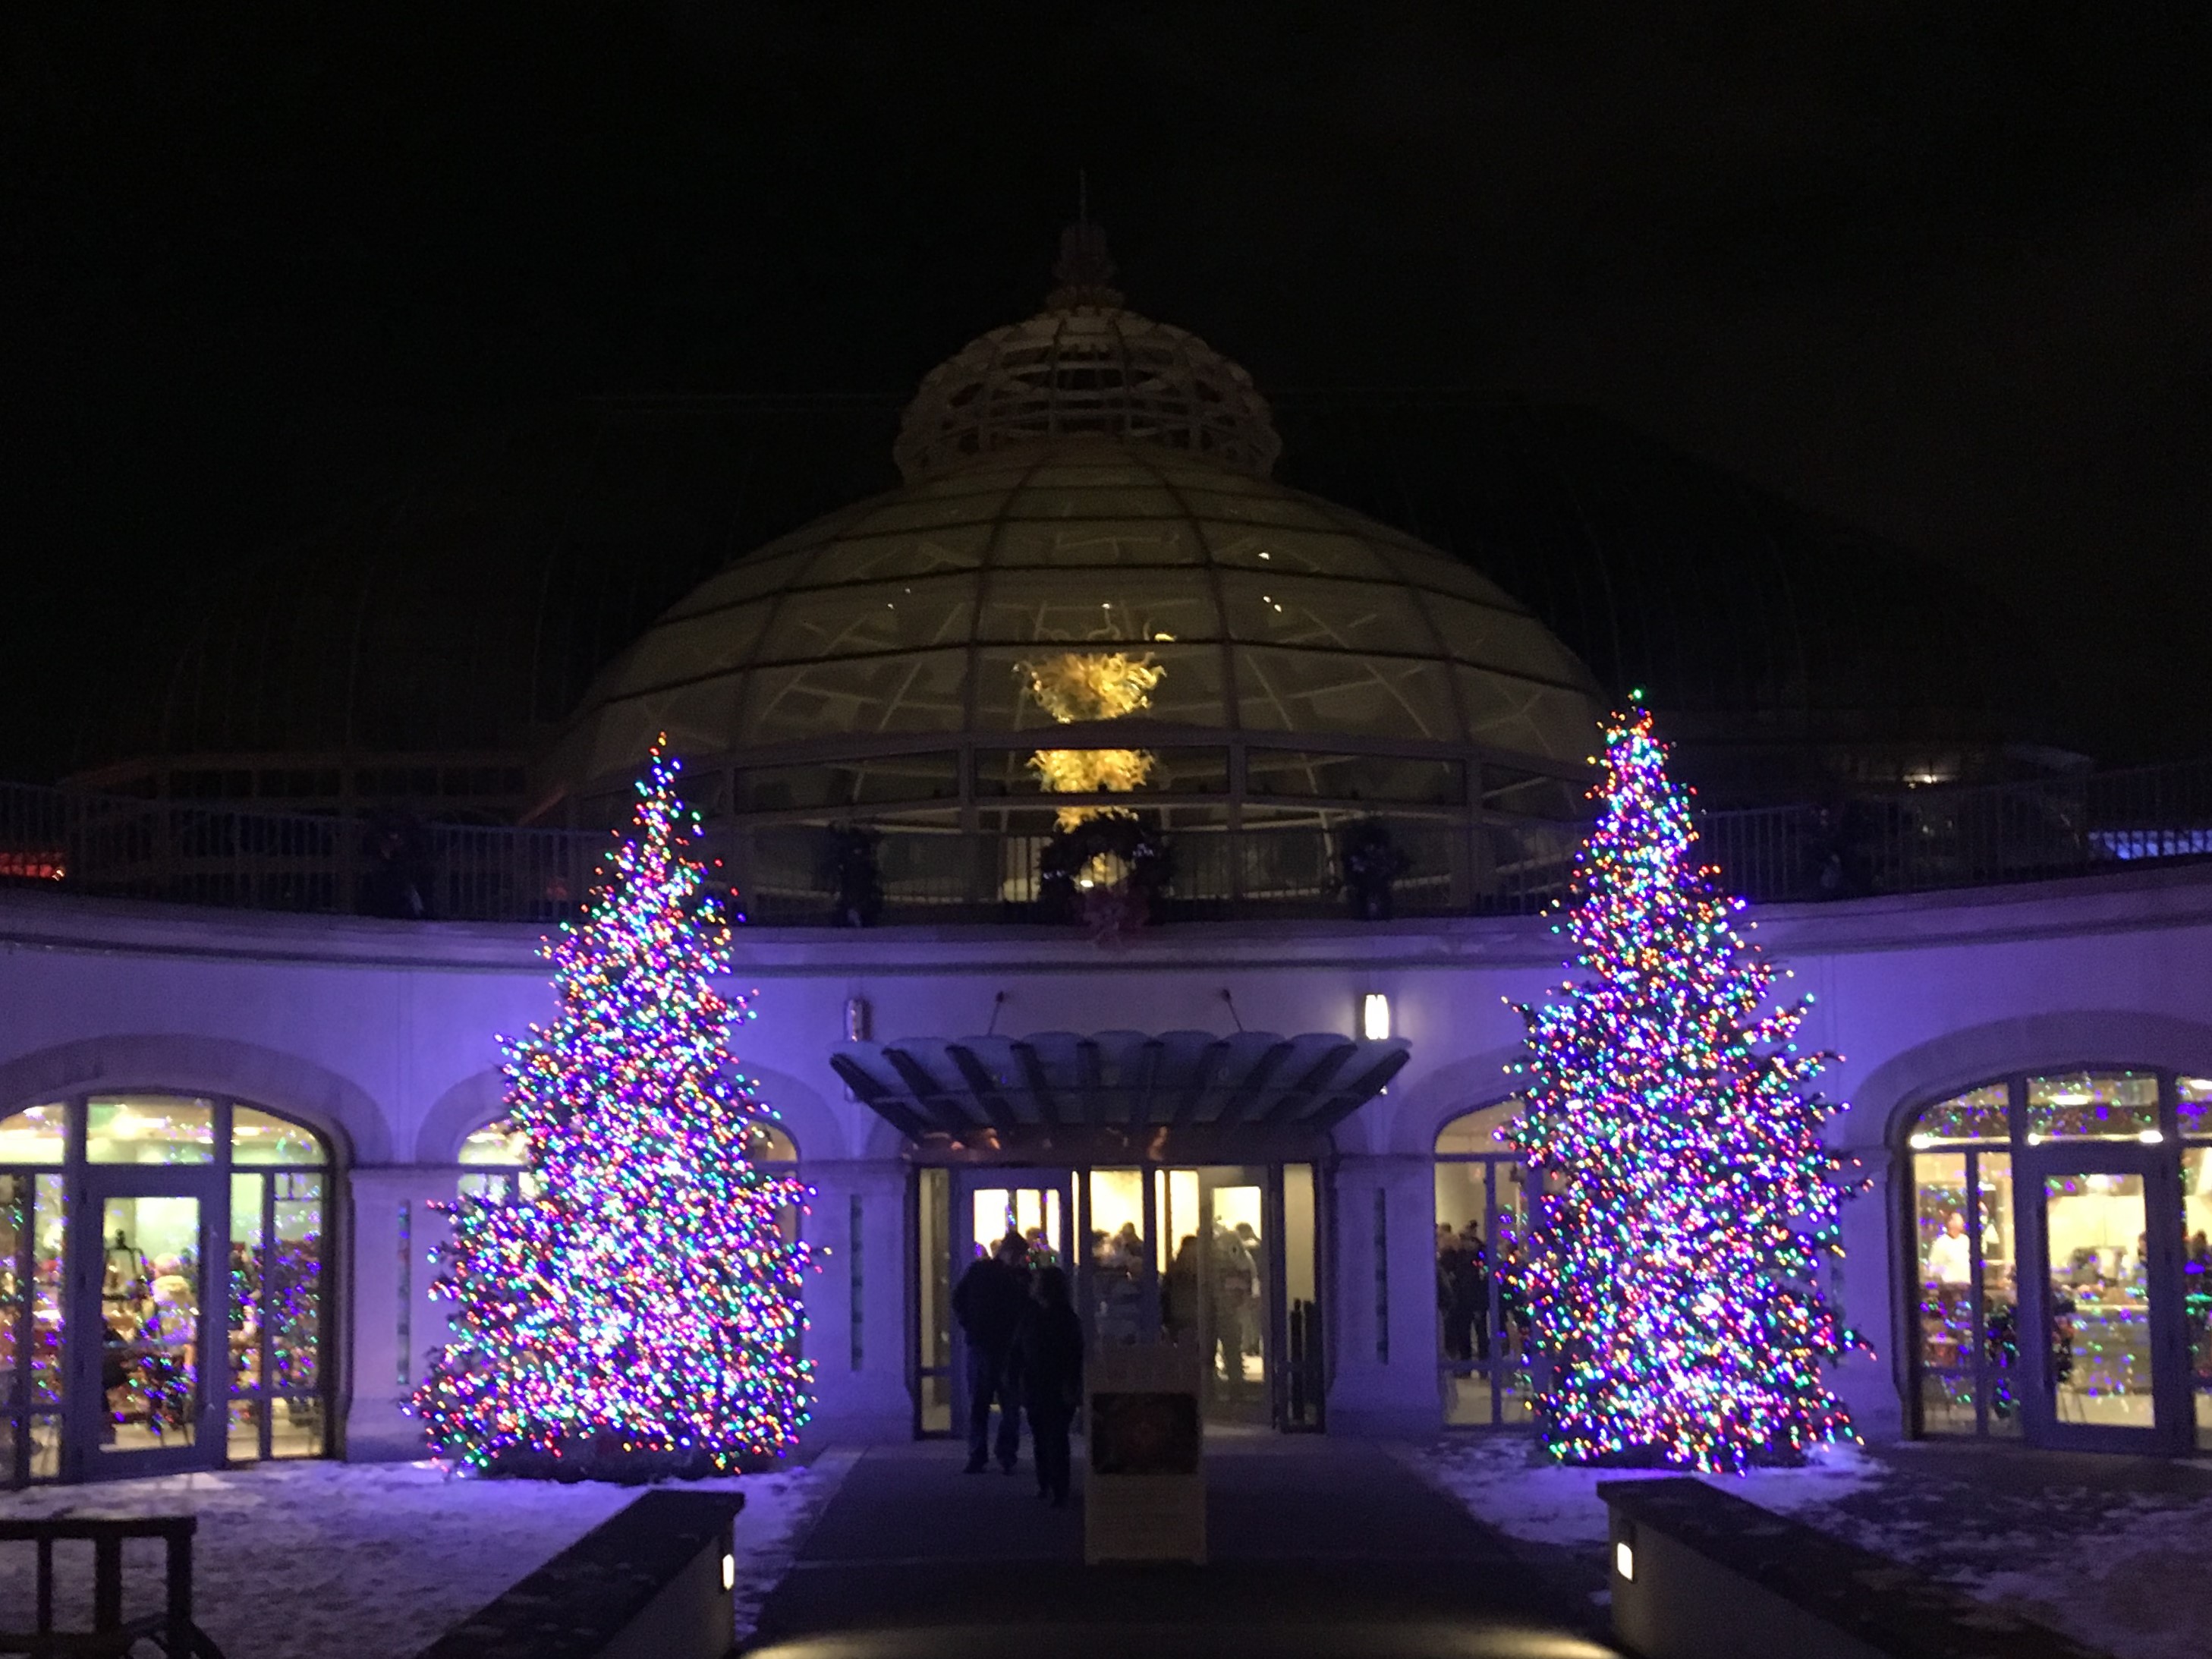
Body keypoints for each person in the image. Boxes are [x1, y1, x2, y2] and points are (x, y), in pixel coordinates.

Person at [952, 1232, 1030, 1474]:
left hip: (983, 1345)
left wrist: (969, 1324)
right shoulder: (1017, 1279)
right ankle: (1005, 1455)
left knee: (981, 1403)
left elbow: (958, 1299)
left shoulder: (979, 1272)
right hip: (1005, 1349)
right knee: (1008, 1405)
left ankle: (979, 1454)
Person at [1014, 1265, 1084, 1506]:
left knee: (1052, 1437)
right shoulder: (1056, 1317)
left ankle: (1055, 1486)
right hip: (1042, 1383)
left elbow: (1074, 1355)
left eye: (1037, 1282)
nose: (1032, 1286)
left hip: (1050, 1383)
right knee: (1046, 1437)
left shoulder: (1047, 1318)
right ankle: (1049, 1484)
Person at [1925, 1211, 1972, 1286]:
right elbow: (1932, 1266)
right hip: (1949, 1288)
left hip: (1967, 1285)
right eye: (1960, 1221)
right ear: (1951, 1223)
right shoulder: (1941, 1242)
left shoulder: (1965, 1240)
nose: (1963, 1223)